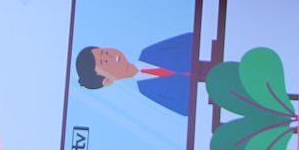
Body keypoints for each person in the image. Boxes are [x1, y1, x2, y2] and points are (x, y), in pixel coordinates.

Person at [75, 38, 209, 116]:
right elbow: (186, 109)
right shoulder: (147, 90)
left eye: (105, 52)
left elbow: (190, 39)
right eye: (104, 61)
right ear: (107, 81)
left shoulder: (149, 52)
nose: (110, 56)